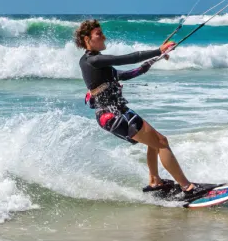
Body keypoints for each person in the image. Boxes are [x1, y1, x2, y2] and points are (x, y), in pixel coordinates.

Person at [75, 19, 214, 200]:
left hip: (117, 112)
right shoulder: (94, 60)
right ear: (87, 39)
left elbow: (124, 74)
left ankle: (155, 181)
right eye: (98, 34)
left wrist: (152, 61)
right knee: (161, 143)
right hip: (113, 115)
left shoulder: (93, 62)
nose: (104, 37)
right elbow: (126, 58)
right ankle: (187, 187)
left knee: (154, 142)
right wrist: (159, 50)